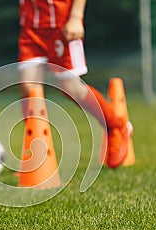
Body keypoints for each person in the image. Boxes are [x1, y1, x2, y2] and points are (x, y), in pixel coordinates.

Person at [18, 0, 133, 168]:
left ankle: (116, 125)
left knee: (71, 88)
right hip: (31, 28)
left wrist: (76, 17)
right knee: (29, 88)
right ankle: (37, 157)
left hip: (62, 25)